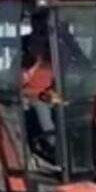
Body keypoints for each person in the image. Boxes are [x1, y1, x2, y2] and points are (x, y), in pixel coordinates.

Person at [21, 12, 59, 168]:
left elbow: (63, 75)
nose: (40, 38)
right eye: (38, 31)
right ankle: (54, 148)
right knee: (41, 108)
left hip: (50, 95)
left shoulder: (55, 53)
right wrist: (36, 62)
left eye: (43, 32)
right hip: (30, 98)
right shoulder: (24, 57)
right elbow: (21, 80)